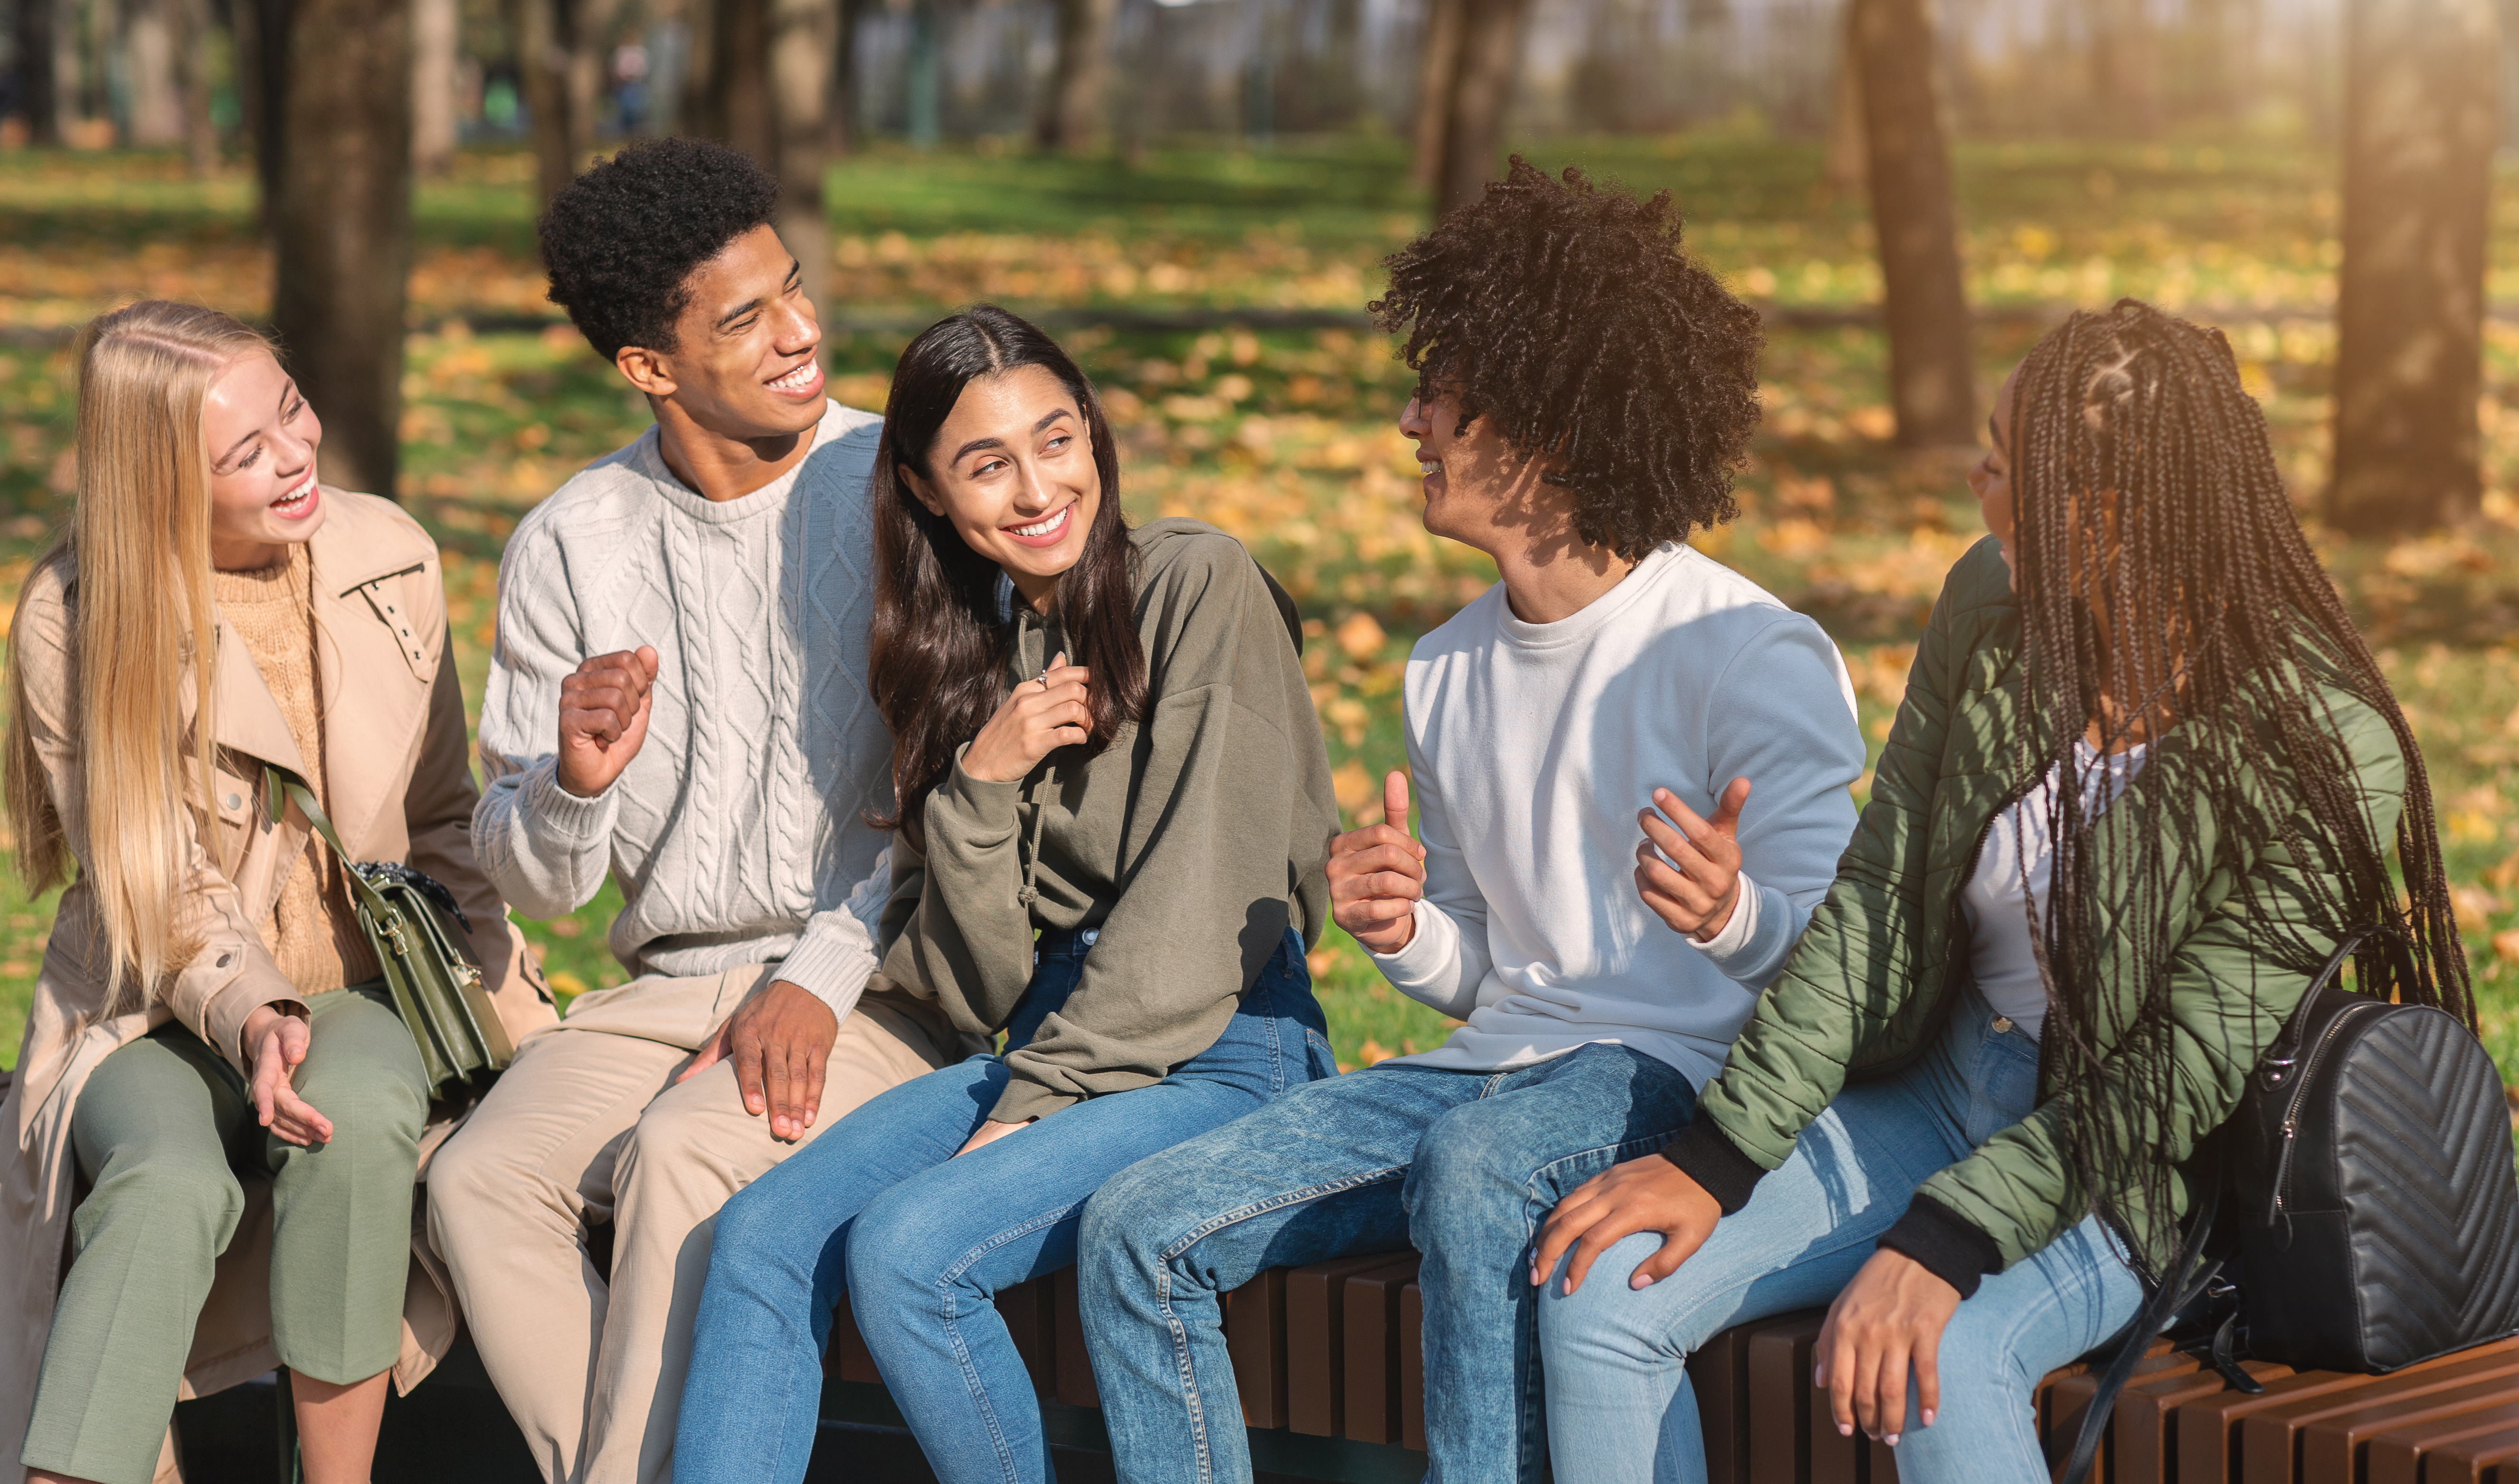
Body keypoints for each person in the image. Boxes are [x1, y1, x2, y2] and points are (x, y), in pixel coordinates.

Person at [1526, 300, 2473, 1484]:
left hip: (2122, 1165)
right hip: (1934, 1087)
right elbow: (1877, 901)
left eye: (2004, 461)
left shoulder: (2321, 745)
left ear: (2114, 515)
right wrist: (1718, 1159)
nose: (1974, 476)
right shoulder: (1992, 603)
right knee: (1605, 1288)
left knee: (1942, 1357)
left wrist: (1950, 1236)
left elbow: (2174, 1076)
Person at [1076, 160, 1868, 1484]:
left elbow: (1841, 983)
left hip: (1670, 1076)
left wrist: (1734, 912)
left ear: (1547, 421)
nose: (1408, 421)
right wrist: (1402, 934)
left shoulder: (1746, 649)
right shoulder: (1444, 664)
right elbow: (1492, 974)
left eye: (1444, 392)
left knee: (1477, 1169)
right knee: (1133, 1229)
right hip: (1487, 1076)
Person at [671, 305, 1343, 1484]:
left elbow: (1200, 908)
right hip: (1057, 1040)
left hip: (1223, 1046)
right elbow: (976, 983)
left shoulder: (1197, 584)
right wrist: (979, 788)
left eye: (1058, 440)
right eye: (987, 464)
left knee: (911, 1254)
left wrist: (1037, 1103)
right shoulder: (967, 647)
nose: (1038, 490)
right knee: (762, 1240)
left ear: (1094, 438)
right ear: (929, 492)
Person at [423, 136, 966, 1484]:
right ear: (649, 368)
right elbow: (531, 882)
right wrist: (569, 786)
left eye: (793, 289)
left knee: (677, 1152)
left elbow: (959, 800)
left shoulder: (905, 492)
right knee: (477, 1180)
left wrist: (817, 974)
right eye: (747, 318)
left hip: (881, 977)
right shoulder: (572, 538)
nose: (801, 331)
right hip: (663, 985)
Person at [0, 301, 550, 1484]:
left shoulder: (388, 552)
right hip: (143, 1000)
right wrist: (255, 1014)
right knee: (164, 1183)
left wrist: (505, 999)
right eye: (245, 454)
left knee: (349, 1128)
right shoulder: (75, 615)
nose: (296, 457)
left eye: (290, 410)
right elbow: (153, 878)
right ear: (160, 482)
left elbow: (443, 812)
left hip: (360, 983)